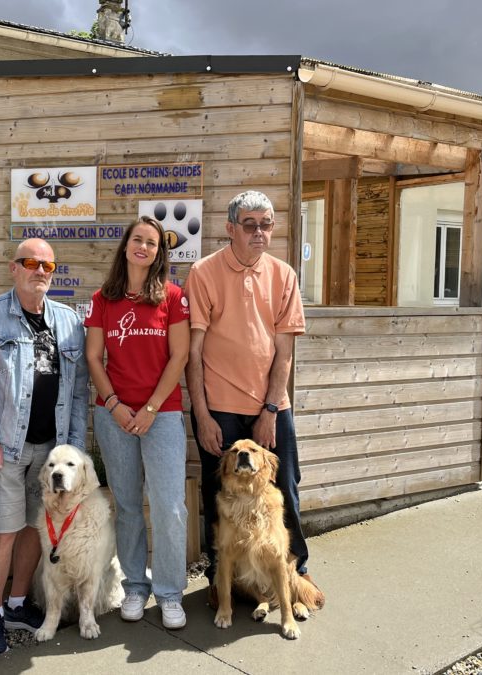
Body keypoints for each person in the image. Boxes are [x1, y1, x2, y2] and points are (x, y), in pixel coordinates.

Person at [184, 190, 323, 608]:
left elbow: (285, 353)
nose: (259, 232)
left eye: (266, 224)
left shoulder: (284, 275)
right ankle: (219, 576)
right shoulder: (203, 273)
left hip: (271, 405)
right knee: (218, 492)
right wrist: (203, 416)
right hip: (219, 407)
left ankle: (294, 569)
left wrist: (270, 409)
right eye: (250, 224)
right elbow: (192, 355)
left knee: (286, 486)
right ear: (230, 229)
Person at [0, 238, 89, 657]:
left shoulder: (69, 322)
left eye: (47, 266)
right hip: (7, 448)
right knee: (2, 531)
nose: (40, 271)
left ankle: (17, 604)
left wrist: (72, 452)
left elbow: (78, 393)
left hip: (51, 451)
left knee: (37, 527)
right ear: (13, 268)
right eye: (30, 263)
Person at [84, 216, 191, 629]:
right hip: (114, 416)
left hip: (160, 414)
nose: (143, 247)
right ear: (126, 246)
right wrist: (114, 405)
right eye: (137, 240)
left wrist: (148, 409)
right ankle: (134, 586)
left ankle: (169, 593)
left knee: (169, 507)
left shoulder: (173, 297)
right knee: (127, 505)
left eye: (151, 242)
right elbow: (94, 357)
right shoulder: (102, 299)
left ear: (159, 252)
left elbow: (179, 356)